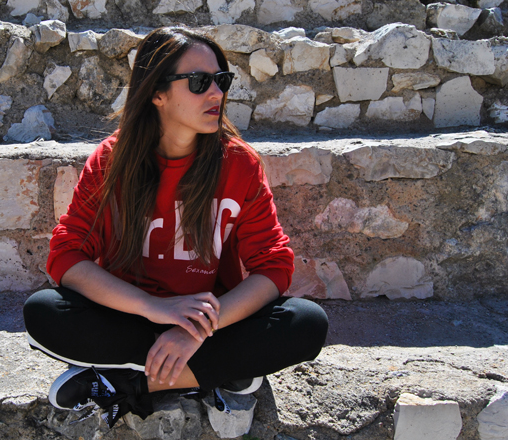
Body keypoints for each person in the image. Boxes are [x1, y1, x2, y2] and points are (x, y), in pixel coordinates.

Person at [23, 27, 328, 427]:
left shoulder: (239, 164)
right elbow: (67, 255)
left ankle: (126, 383)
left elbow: (273, 265)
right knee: (43, 312)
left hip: (212, 322)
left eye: (222, 80)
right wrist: (154, 307)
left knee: (306, 322)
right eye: (200, 82)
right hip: (131, 314)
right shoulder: (112, 161)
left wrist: (196, 331)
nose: (216, 93)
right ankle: (219, 372)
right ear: (157, 92)